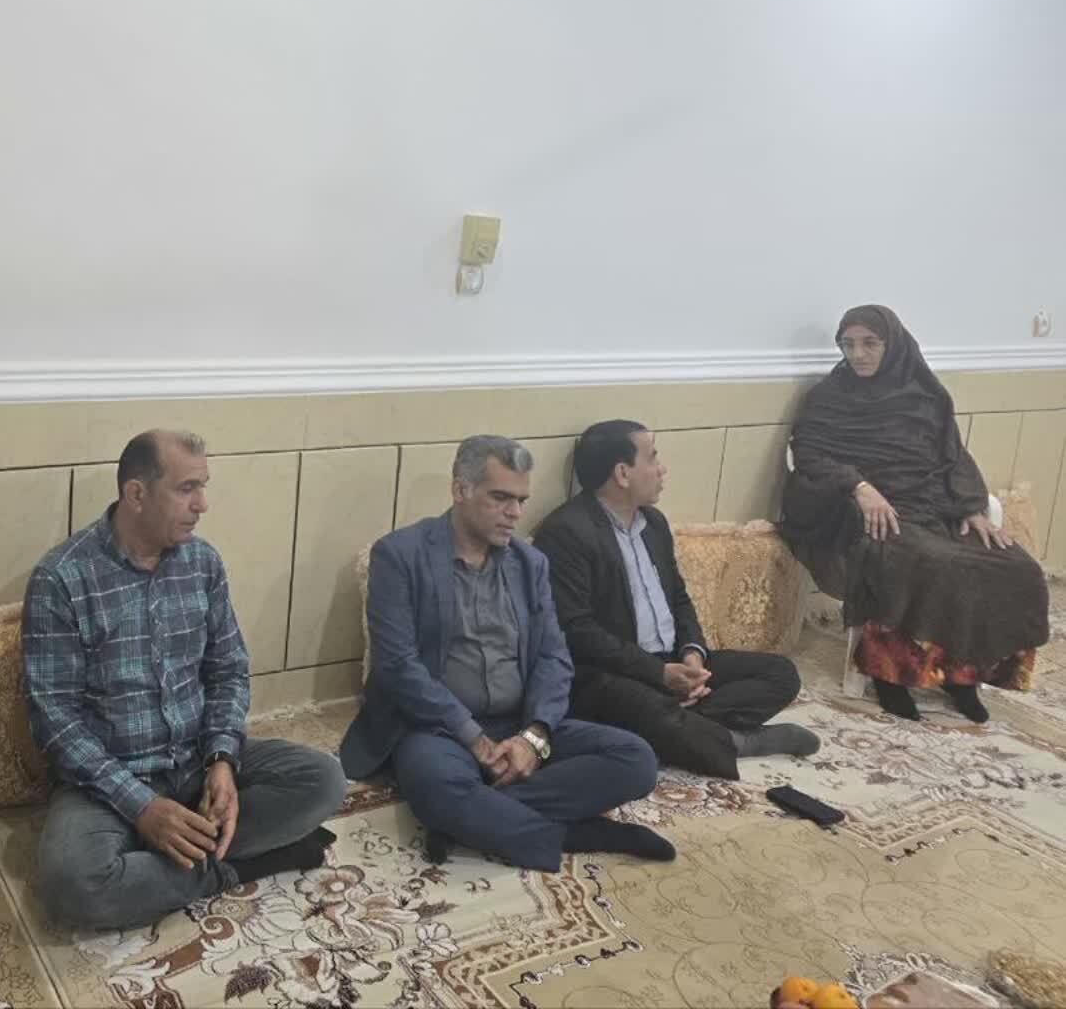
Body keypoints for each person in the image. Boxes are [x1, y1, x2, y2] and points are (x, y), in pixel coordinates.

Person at [24, 430, 347, 931]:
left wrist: (222, 760)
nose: (202, 504)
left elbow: (228, 669)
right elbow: (55, 720)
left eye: (203, 486)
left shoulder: (203, 563)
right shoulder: (62, 578)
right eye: (186, 488)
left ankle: (170, 853)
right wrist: (142, 807)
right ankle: (242, 863)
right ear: (136, 493)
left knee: (324, 780)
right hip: (111, 779)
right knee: (73, 884)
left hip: (197, 759)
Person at [340, 435, 673, 871]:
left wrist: (533, 738)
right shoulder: (400, 555)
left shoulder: (529, 563)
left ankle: (473, 819)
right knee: (435, 784)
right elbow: (398, 666)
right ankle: (576, 833)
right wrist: (473, 739)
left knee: (636, 759)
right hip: (439, 729)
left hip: (518, 722)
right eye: (500, 498)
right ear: (461, 490)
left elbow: (554, 657)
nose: (515, 513)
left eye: (521, 500)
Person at [781, 304, 1050, 722]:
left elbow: (953, 456)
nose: (857, 354)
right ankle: (891, 675)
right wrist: (860, 487)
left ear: (894, 345)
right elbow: (809, 454)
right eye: (848, 344)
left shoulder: (925, 396)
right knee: (930, 561)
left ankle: (963, 675)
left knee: (1015, 566)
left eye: (870, 343)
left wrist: (972, 507)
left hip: (937, 508)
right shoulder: (829, 398)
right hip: (880, 514)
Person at [532, 421, 818, 779]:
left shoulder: (653, 523)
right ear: (622, 473)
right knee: (638, 703)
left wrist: (692, 654)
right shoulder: (567, 532)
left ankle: (677, 727)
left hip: (669, 661)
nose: (662, 469)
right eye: (652, 458)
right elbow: (578, 631)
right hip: (615, 673)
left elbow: (679, 598)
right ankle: (737, 741)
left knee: (780, 674)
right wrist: (658, 674)